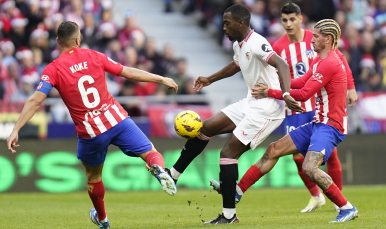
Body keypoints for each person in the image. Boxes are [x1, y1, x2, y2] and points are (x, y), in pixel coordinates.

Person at [6, 21, 178, 229]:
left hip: (90, 132)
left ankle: (103, 219)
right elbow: (127, 72)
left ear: (58, 42)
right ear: (78, 40)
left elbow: (35, 100)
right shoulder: (94, 55)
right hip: (117, 120)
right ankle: (159, 169)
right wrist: (160, 78)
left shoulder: (53, 69)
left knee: (93, 176)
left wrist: (16, 129)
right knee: (150, 152)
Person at [164, 4, 303, 224]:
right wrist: (210, 78)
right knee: (206, 127)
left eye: (227, 23)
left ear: (240, 23)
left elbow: (282, 64)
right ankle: (173, 175)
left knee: (227, 153)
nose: (224, 28)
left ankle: (229, 215)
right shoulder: (240, 45)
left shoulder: (257, 42)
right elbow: (237, 65)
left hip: (268, 108)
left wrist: (285, 94)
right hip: (251, 102)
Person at [218, 19, 359, 223]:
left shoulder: (330, 63)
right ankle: (238, 191)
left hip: (331, 126)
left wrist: (270, 91)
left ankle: (346, 207)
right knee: (274, 149)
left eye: (317, 36)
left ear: (327, 40)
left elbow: (302, 94)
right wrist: (276, 82)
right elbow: (301, 81)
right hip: (318, 123)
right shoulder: (321, 58)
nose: (312, 39)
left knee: (309, 168)